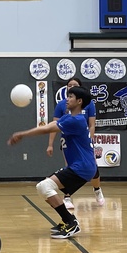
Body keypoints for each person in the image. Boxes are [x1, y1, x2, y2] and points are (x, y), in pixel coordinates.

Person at [9, 86, 96, 240]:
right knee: (43, 188)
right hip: (81, 167)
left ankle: (71, 222)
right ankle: (68, 220)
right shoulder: (69, 118)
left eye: (71, 96)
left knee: (45, 186)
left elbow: (46, 129)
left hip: (82, 167)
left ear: (79, 101)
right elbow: (50, 126)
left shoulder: (76, 120)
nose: (67, 99)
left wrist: (22, 134)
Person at [46, 76, 104, 208]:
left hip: (84, 142)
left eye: (75, 85)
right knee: (70, 169)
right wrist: (50, 144)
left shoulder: (88, 104)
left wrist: (90, 140)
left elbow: (92, 125)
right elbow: (53, 125)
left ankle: (97, 190)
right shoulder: (62, 105)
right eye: (69, 85)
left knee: (93, 168)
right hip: (69, 142)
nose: (71, 87)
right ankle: (67, 197)